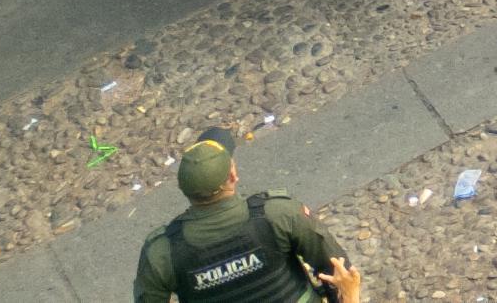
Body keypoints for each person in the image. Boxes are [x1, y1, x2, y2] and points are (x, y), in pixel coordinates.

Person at [132, 127, 356, 303]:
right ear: (233, 175)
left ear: (183, 188)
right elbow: (338, 271)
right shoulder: (278, 214)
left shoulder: (162, 252)